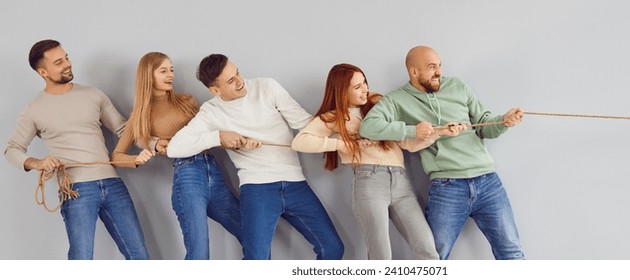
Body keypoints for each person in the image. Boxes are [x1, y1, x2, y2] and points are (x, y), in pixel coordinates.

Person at [166, 54, 343, 260]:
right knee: (257, 261)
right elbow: (174, 148)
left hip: (295, 183)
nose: (240, 81)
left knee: (333, 248)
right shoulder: (211, 112)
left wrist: (345, 134)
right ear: (215, 90)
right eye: (231, 81)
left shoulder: (267, 87)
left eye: (237, 72)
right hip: (257, 189)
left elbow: (304, 124)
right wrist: (219, 137)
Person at [359, 45, 526, 260]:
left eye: (439, 66)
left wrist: (504, 122)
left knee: (512, 252)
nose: (438, 72)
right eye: (431, 67)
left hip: (488, 183)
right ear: (414, 72)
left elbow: (485, 125)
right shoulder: (396, 100)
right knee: (434, 258)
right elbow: (368, 126)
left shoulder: (458, 86)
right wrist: (414, 131)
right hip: (447, 188)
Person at [4, 39, 149, 260]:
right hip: (76, 190)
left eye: (67, 57)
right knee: (82, 259)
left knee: (139, 256)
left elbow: (123, 129)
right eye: (59, 62)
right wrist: (39, 163)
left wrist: (155, 143)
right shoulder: (34, 109)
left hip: (112, 184)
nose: (67, 64)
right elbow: (12, 149)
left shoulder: (94, 95)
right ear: (42, 71)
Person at [291, 63, 438, 260]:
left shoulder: (378, 104)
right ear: (342, 91)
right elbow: (300, 141)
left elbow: (407, 144)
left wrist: (435, 134)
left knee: (428, 250)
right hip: (369, 184)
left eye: (365, 83)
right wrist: (340, 144)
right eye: (357, 87)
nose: (365, 89)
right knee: (381, 257)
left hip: (401, 183)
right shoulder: (335, 117)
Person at [110, 52, 241, 259]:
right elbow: (116, 156)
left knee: (253, 236)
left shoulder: (187, 100)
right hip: (187, 177)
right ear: (148, 76)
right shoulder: (140, 116)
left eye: (171, 70)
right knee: (199, 254)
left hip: (213, 172)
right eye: (163, 71)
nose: (170, 75)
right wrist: (137, 158)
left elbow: (207, 132)